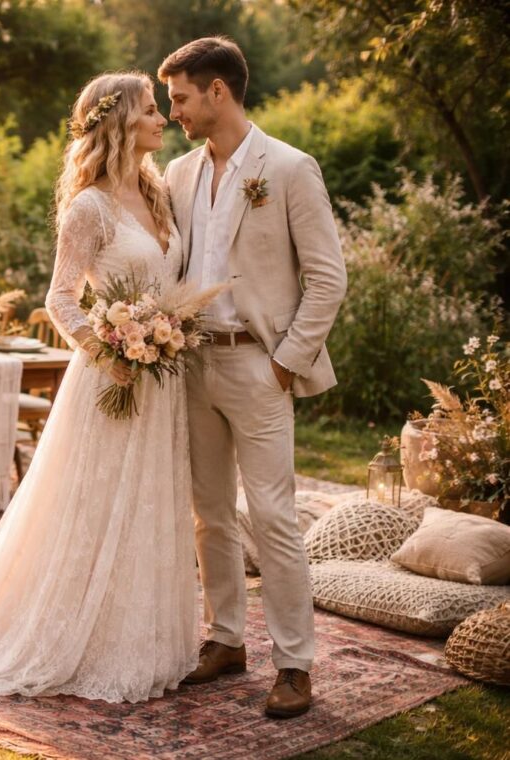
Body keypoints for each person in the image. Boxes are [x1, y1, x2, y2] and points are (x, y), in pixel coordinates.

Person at [0, 71, 199, 702]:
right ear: (119, 122)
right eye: (152, 110)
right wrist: (111, 351)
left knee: (148, 505)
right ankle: (66, 632)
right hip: (111, 379)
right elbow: (61, 299)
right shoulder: (89, 206)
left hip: (164, 382)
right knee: (93, 506)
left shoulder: (160, 195)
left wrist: (162, 338)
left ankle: (138, 633)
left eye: (163, 110)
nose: (163, 121)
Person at [158, 37, 347, 718]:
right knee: (208, 514)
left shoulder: (290, 168)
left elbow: (328, 279)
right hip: (191, 362)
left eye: (180, 97)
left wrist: (283, 362)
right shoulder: (178, 173)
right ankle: (226, 639)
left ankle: (295, 664)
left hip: (257, 363)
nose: (173, 110)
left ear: (217, 92)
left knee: (271, 517)